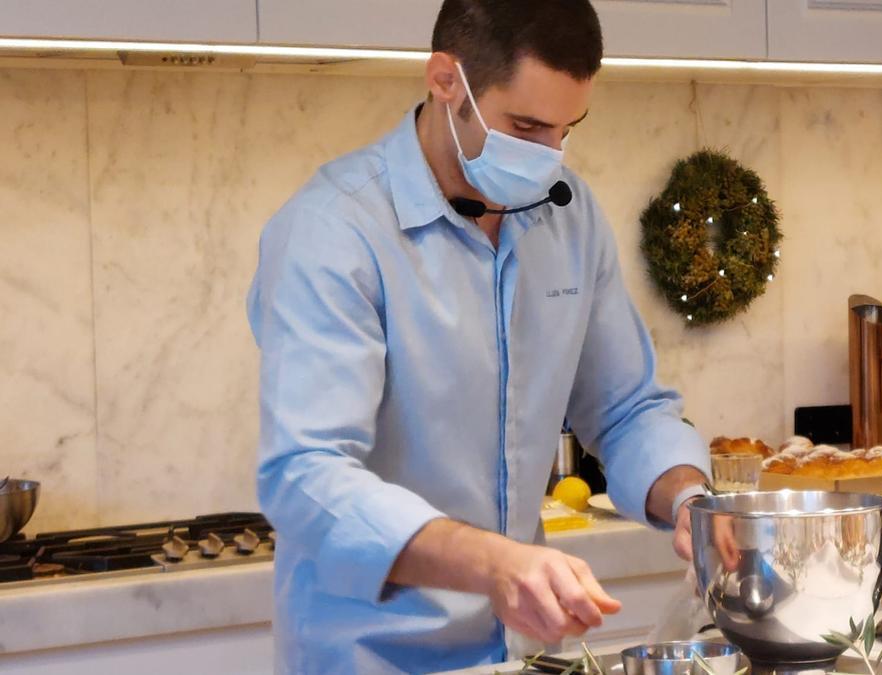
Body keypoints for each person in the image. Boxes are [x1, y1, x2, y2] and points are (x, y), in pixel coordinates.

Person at [246, 1, 711, 672]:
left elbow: (625, 407)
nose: (549, 155)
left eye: (564, 129)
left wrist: (691, 501)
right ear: (445, 81)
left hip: (522, 656)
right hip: (369, 658)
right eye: (524, 126)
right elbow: (306, 476)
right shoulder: (332, 232)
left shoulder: (569, 218)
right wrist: (496, 564)